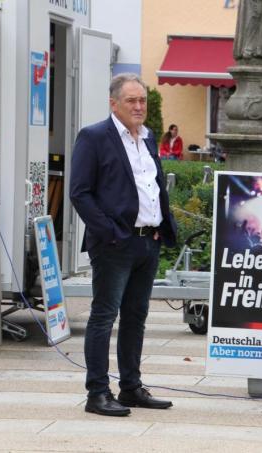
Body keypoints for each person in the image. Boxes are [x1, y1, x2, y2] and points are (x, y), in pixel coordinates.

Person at [70, 73, 177, 417]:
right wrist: (113, 232)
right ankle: (97, 393)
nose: (139, 106)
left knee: (136, 317)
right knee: (104, 316)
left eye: (142, 100)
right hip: (115, 244)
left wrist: (160, 225)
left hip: (148, 242)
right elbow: (80, 193)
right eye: (131, 100)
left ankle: (130, 387)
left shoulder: (147, 139)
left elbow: (152, 186)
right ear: (113, 103)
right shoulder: (94, 137)